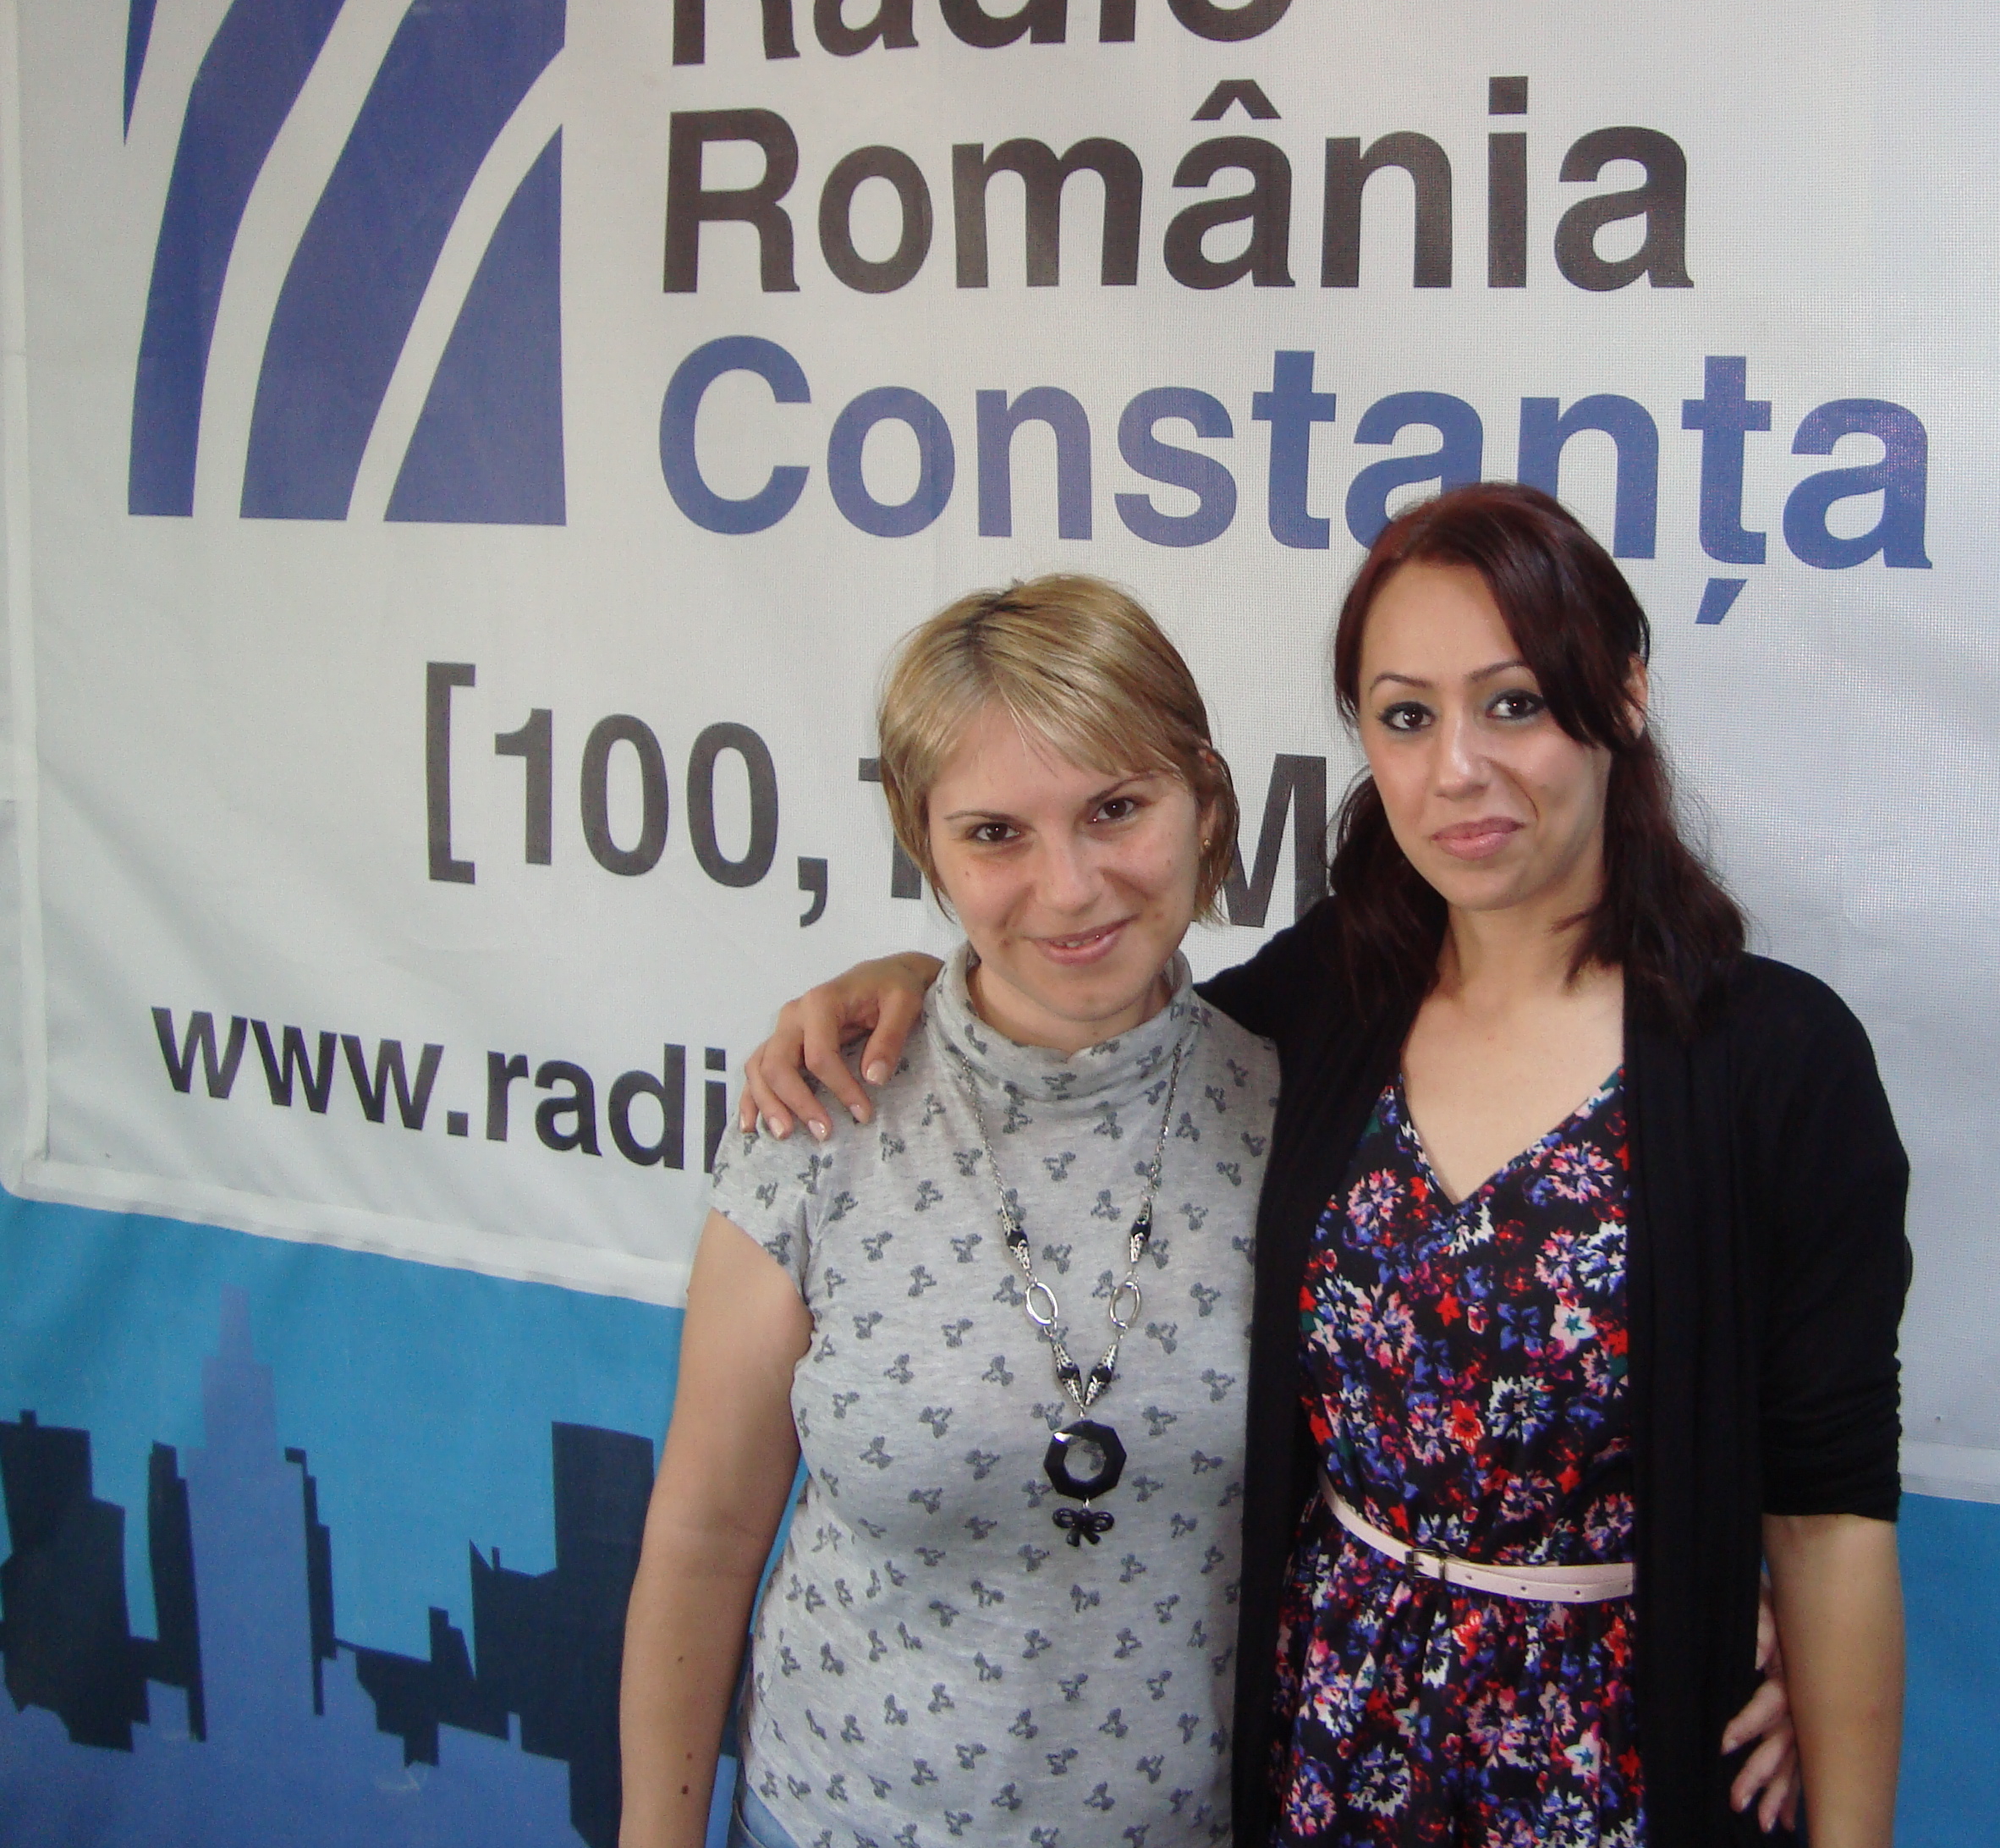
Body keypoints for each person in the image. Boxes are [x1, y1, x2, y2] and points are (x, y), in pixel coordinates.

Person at [744, 486, 1895, 1844]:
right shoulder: (1332, 1002)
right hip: (1331, 1753)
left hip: (1620, 1766)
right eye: (1406, 716)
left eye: (1514, 702)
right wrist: (905, 980)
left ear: (1624, 693)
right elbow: (1098, 1009)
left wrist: (1785, 1668)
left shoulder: (1778, 1063)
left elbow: (1829, 1516)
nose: (1457, 767)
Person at [618, 576, 1279, 1848]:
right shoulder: (821, 1112)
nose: (1070, 888)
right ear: (927, 848)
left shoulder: (1296, 1111)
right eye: (996, 834)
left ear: (1205, 800)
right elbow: (705, 1535)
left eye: (1117, 809)